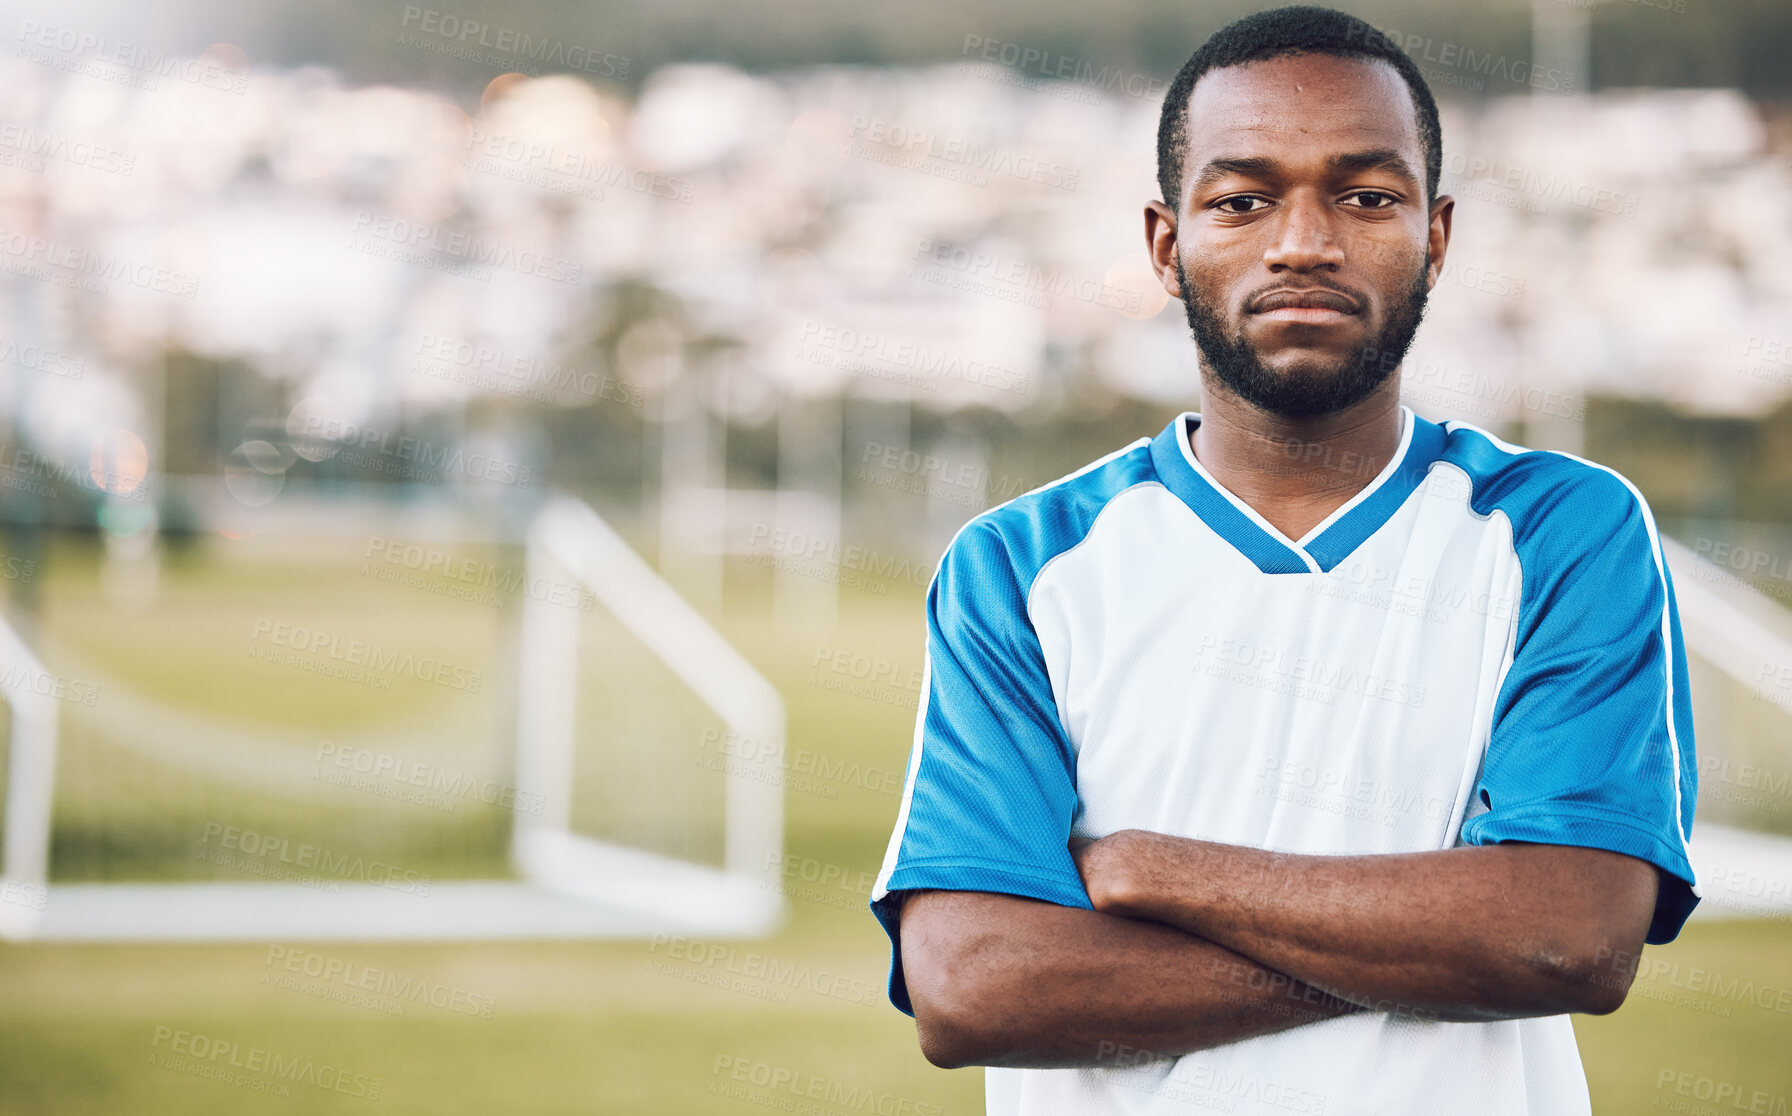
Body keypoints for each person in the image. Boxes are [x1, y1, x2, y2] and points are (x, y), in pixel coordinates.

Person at [867, 6, 1699, 1114]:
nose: (1302, 241)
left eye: (1364, 196)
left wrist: (1150, 871)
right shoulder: (1023, 565)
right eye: (1242, 199)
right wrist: (1439, 947)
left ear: (1435, 237)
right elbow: (974, 990)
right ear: (1168, 246)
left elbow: (1565, 939)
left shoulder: (1561, 529)